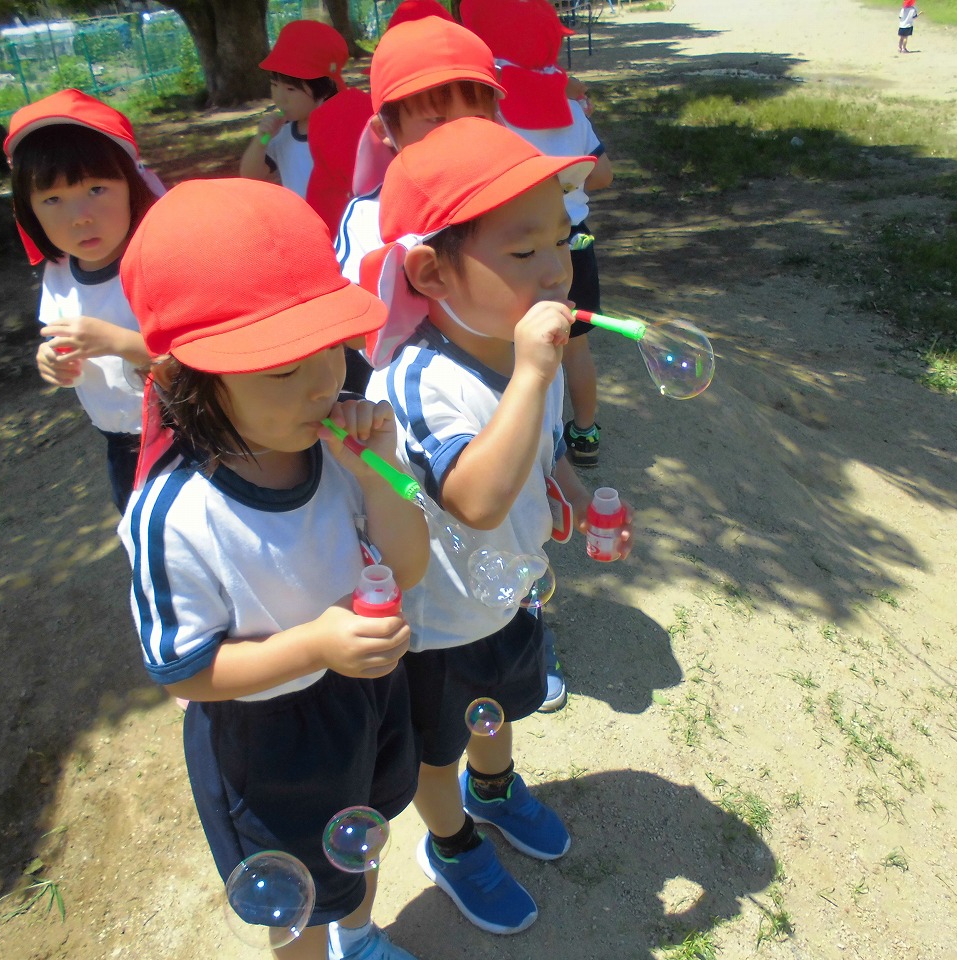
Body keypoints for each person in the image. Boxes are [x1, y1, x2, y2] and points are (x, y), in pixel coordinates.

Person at [118, 179, 431, 960]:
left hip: (364, 695)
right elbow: (185, 671)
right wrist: (315, 648)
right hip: (266, 736)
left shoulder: (340, 454)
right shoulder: (174, 517)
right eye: (279, 370)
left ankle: (359, 940)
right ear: (187, 381)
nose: (324, 384)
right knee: (292, 891)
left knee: (361, 832)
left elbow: (411, 564)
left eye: (330, 349)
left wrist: (377, 474)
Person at [361, 118, 636, 934]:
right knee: (438, 745)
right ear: (429, 271)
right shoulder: (417, 382)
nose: (558, 269)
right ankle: (449, 840)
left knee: (500, 706)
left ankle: (497, 789)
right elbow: (475, 497)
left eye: (564, 238)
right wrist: (534, 373)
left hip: (509, 593)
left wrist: (578, 497)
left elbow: (542, 451)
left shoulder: (527, 356)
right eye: (524, 253)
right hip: (436, 623)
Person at [462, 0, 615, 472]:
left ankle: (516, 438)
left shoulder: (487, 107)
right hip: (572, 239)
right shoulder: (570, 105)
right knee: (576, 342)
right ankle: (584, 432)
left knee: (516, 342)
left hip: (514, 246)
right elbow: (603, 175)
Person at [5, 88, 164, 513]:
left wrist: (119, 342)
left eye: (96, 188)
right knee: (147, 549)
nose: (79, 216)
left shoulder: (160, 258)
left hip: (191, 435)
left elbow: (200, 358)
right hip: (122, 447)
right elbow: (69, 350)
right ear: (28, 210)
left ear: (132, 184)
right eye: (52, 199)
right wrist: (54, 363)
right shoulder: (59, 272)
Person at [334, 16, 504, 286]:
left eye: (478, 118)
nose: (461, 135)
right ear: (384, 130)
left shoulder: (512, 194)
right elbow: (363, 305)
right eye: (437, 120)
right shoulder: (368, 219)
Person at [239, 20, 349, 199]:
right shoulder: (282, 134)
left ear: (324, 89)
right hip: (306, 224)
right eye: (274, 85)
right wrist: (261, 140)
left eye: (291, 89)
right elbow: (251, 176)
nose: (280, 98)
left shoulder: (342, 129)